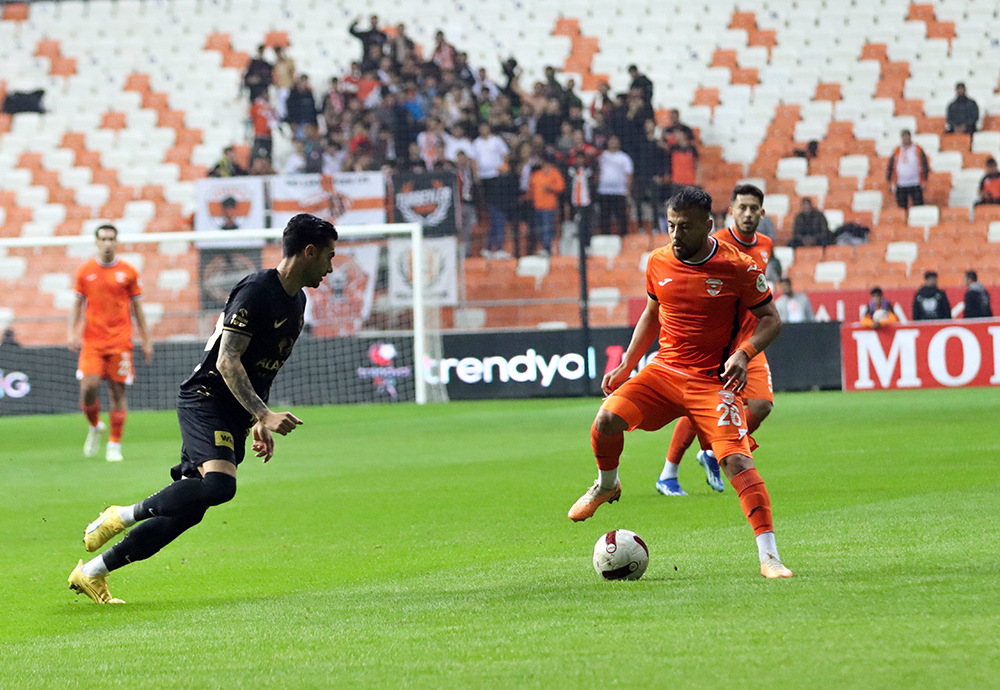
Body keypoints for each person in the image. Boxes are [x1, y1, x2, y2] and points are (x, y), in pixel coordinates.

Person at [68, 214, 339, 605]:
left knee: (191, 509)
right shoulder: (256, 290)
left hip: (235, 412)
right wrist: (264, 415)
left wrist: (258, 417)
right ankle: (123, 514)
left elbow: (265, 365)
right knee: (219, 486)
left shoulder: (298, 301)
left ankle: (92, 573)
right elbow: (228, 361)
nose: (331, 267)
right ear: (309, 252)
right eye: (329, 256)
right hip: (206, 397)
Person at [567, 187, 792, 579]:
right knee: (605, 420)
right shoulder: (658, 261)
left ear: (707, 226)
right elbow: (652, 314)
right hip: (665, 371)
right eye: (670, 225)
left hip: (712, 381)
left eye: (683, 227)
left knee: (737, 460)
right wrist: (626, 366)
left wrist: (744, 353)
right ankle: (607, 485)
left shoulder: (738, 267)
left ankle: (769, 558)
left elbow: (771, 319)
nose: (674, 235)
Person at [655, 184, 776, 497]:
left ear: (762, 213)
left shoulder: (765, 245)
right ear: (730, 212)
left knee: (761, 406)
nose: (748, 214)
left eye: (754, 208)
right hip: (717, 344)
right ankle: (669, 473)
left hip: (749, 341)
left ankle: (712, 452)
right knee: (697, 408)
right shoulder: (711, 244)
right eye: (742, 208)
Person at [68, 224, 153, 463]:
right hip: (92, 341)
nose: (107, 243)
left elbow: (138, 308)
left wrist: (146, 340)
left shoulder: (128, 271)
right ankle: (95, 426)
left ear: (117, 242)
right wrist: (72, 332)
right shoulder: (85, 271)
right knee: (88, 388)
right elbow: (77, 304)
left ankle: (114, 444)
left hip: (120, 342)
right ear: (96, 242)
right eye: (103, 239)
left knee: (118, 392)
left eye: (111, 239)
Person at [472, 123, 511, 258]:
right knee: (494, 212)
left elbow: (505, 155)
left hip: (496, 177)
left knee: (497, 213)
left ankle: (492, 247)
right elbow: (474, 160)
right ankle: (493, 247)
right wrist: (476, 175)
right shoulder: (477, 143)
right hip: (485, 178)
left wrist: (502, 168)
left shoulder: (497, 141)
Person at [527, 156, 565, 256]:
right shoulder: (536, 174)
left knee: (547, 228)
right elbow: (530, 188)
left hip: (549, 206)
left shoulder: (555, 173)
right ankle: (541, 248)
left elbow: (561, 187)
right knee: (539, 229)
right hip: (537, 206)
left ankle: (547, 249)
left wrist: (551, 188)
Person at [597, 135, 633, 237]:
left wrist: (628, 190)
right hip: (604, 191)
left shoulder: (624, 158)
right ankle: (605, 237)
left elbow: (629, 174)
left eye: (615, 141)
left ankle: (623, 237)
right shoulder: (602, 156)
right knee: (605, 217)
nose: (613, 143)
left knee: (621, 216)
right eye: (611, 141)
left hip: (619, 191)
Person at [886, 129, 929, 210]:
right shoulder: (897, 151)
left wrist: (925, 180)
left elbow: (925, 164)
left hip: (915, 183)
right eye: (904, 137)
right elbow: (890, 166)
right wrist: (889, 181)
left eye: (907, 136)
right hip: (901, 183)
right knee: (902, 207)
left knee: (918, 207)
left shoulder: (917, 149)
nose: (905, 139)